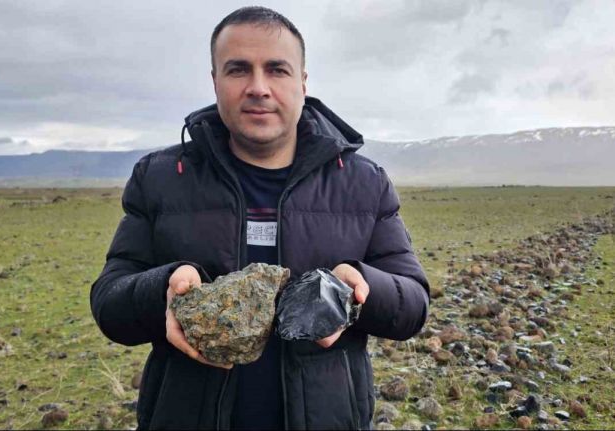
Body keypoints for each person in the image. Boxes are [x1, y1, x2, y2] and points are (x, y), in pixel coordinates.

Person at [91, 6, 429, 430]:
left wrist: (360, 288)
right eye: (237, 70)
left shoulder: (363, 183)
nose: (258, 88)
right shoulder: (161, 178)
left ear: (302, 81)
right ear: (215, 81)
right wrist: (163, 292)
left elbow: (413, 305)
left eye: (276, 69)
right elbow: (110, 303)